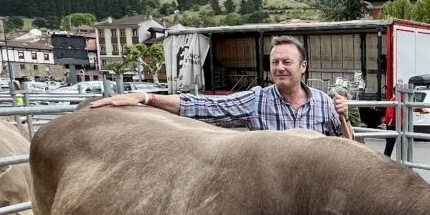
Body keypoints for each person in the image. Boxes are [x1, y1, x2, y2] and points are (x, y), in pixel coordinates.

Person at [91, 35, 351, 138]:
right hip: (274, 196)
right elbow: (205, 106)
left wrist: (344, 118)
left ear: (302, 66)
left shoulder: (323, 102)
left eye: (287, 62)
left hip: (316, 194)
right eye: (274, 62)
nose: (280, 67)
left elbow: (348, 150)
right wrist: (147, 98)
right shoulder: (257, 101)